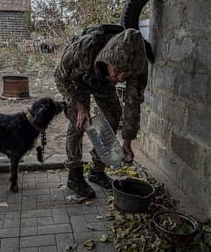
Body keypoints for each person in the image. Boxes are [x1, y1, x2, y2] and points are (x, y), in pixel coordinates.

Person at [54, 26, 148, 198]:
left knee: (113, 115)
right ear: (108, 59)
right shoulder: (85, 47)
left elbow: (132, 105)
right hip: (76, 81)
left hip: (102, 81)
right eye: (118, 71)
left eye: (125, 75)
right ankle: (74, 176)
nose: (121, 78)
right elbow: (60, 77)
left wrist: (127, 140)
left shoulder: (138, 66)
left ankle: (97, 171)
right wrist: (80, 105)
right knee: (79, 122)